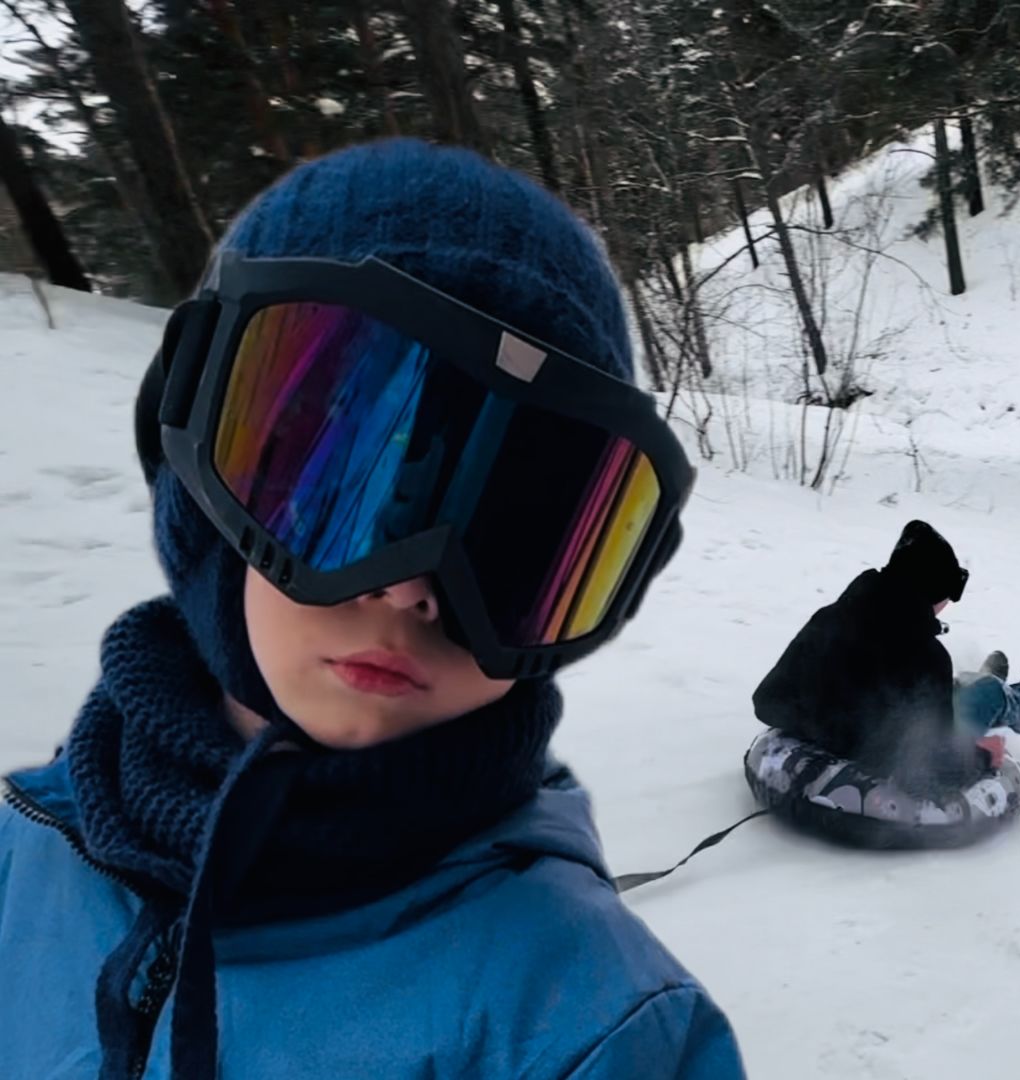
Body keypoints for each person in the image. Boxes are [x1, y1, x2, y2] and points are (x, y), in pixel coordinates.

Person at [0, 140, 743, 1079]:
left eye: (509, 539)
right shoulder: (24, 854)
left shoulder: (587, 1029)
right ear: (198, 470)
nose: (414, 589)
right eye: (340, 487)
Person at [752, 520, 1020, 793]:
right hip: (892, 751)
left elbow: (766, 701)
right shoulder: (927, 656)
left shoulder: (829, 619)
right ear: (933, 592)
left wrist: (824, 727)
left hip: (863, 729)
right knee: (987, 694)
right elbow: (934, 769)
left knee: (952, 688)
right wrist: (984, 755)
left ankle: (983, 682)